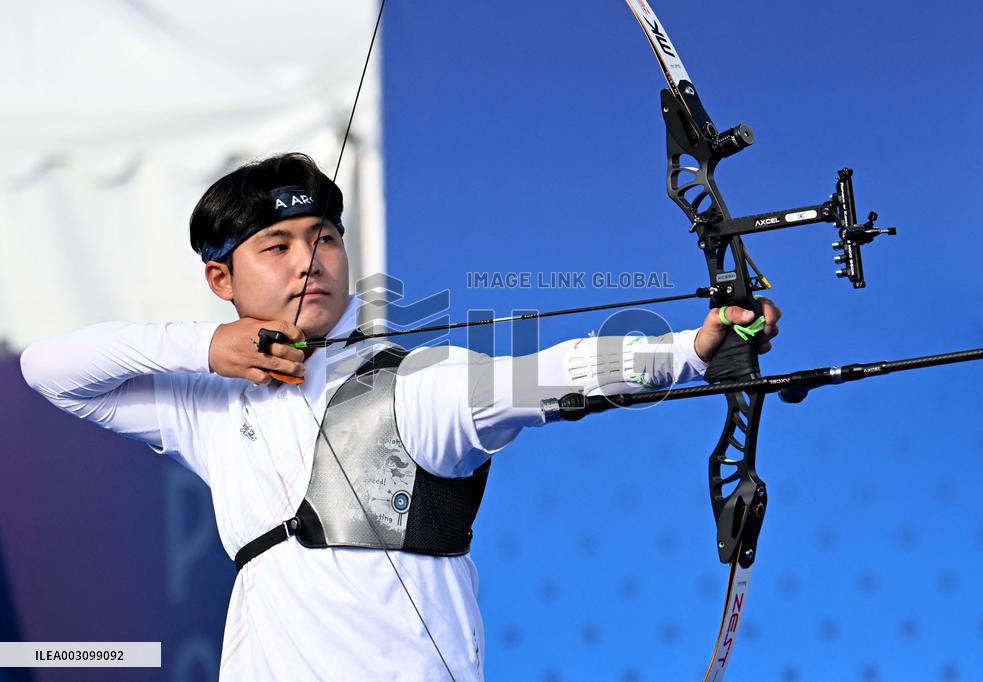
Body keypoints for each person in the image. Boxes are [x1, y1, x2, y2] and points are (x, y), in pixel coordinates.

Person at [19, 152, 780, 681]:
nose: (308, 261)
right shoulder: (209, 406)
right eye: (275, 247)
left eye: (323, 239)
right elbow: (50, 370)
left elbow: (546, 377)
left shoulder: (418, 385)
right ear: (221, 278)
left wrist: (693, 347)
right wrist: (205, 347)